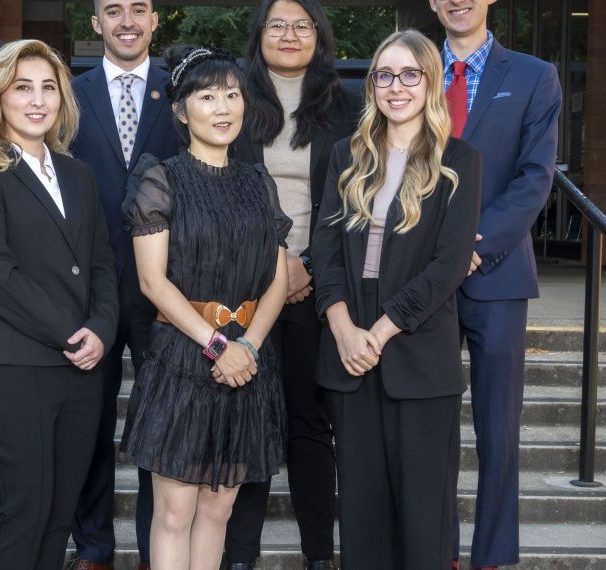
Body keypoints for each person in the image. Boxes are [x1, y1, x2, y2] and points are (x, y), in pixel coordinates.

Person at [311, 29, 482, 569]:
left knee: (423, 516)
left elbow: (449, 265)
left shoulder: (461, 161)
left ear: (430, 82)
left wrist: (381, 332)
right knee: (360, 512)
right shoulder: (346, 153)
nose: (396, 86)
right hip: (348, 352)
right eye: (384, 75)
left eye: (410, 74)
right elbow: (326, 249)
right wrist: (342, 328)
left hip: (416, 351)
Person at [0, 39, 119, 569]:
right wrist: (73, 333)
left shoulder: (79, 175)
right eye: (23, 87)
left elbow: (101, 267)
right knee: (27, 508)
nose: (37, 99)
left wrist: (102, 329)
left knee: (59, 514)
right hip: (16, 364)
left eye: (49, 87)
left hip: (83, 367)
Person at [120, 46, 290, 570]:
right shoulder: (160, 178)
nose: (223, 107)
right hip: (185, 358)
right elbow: (153, 282)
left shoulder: (258, 181)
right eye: (207, 95)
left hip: (246, 364)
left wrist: (248, 347)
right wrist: (217, 344)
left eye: (232, 94)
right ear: (180, 109)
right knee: (175, 512)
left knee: (219, 507)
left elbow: (278, 281)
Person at [224, 1, 360, 568]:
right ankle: (238, 555)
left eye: (302, 25)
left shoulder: (347, 106)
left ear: (319, 36)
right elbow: (221, 187)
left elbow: (354, 197)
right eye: (277, 24)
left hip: (318, 283)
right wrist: (278, 263)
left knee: (309, 423)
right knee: (247, 422)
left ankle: (318, 556)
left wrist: (306, 264)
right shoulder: (230, 97)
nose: (289, 34)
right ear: (258, 35)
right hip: (247, 284)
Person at [427, 1, 563, 568]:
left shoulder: (534, 76)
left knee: (497, 430)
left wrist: (475, 248)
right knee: (427, 428)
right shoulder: (410, 68)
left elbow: (536, 176)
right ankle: (436, 551)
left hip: (497, 274)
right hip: (420, 277)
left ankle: (491, 555)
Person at [68, 1, 180, 566]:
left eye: (139, 8)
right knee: (90, 422)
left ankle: (153, 548)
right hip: (91, 286)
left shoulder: (182, 90)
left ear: (156, 20)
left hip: (171, 288)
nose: (127, 20)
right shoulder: (67, 92)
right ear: (97, 24)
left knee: (161, 424)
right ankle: (93, 546)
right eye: (113, 9)